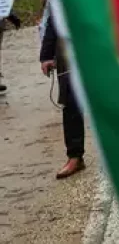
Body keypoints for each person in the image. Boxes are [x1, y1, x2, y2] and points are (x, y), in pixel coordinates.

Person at [39, 12, 87, 179]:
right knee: (72, 103)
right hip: (69, 50)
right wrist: (46, 55)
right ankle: (75, 156)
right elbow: (53, 18)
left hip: (102, 42)